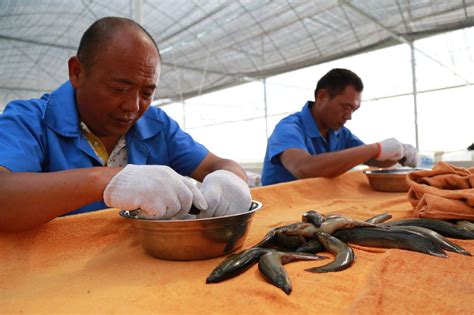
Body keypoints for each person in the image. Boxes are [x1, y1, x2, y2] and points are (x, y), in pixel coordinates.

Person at [0, 17, 251, 232]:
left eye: (147, 92)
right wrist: (108, 180)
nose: (133, 107)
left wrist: (230, 179)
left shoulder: (157, 125)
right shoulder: (30, 120)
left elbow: (218, 164)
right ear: (77, 72)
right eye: (118, 88)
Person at [261, 68, 418, 186]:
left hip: (315, 203)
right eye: (345, 107)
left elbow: (374, 160)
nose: (349, 116)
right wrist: (376, 148)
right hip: (281, 208)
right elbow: (303, 167)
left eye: (353, 110)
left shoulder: (339, 133)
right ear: (321, 96)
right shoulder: (289, 128)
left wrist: (400, 153)